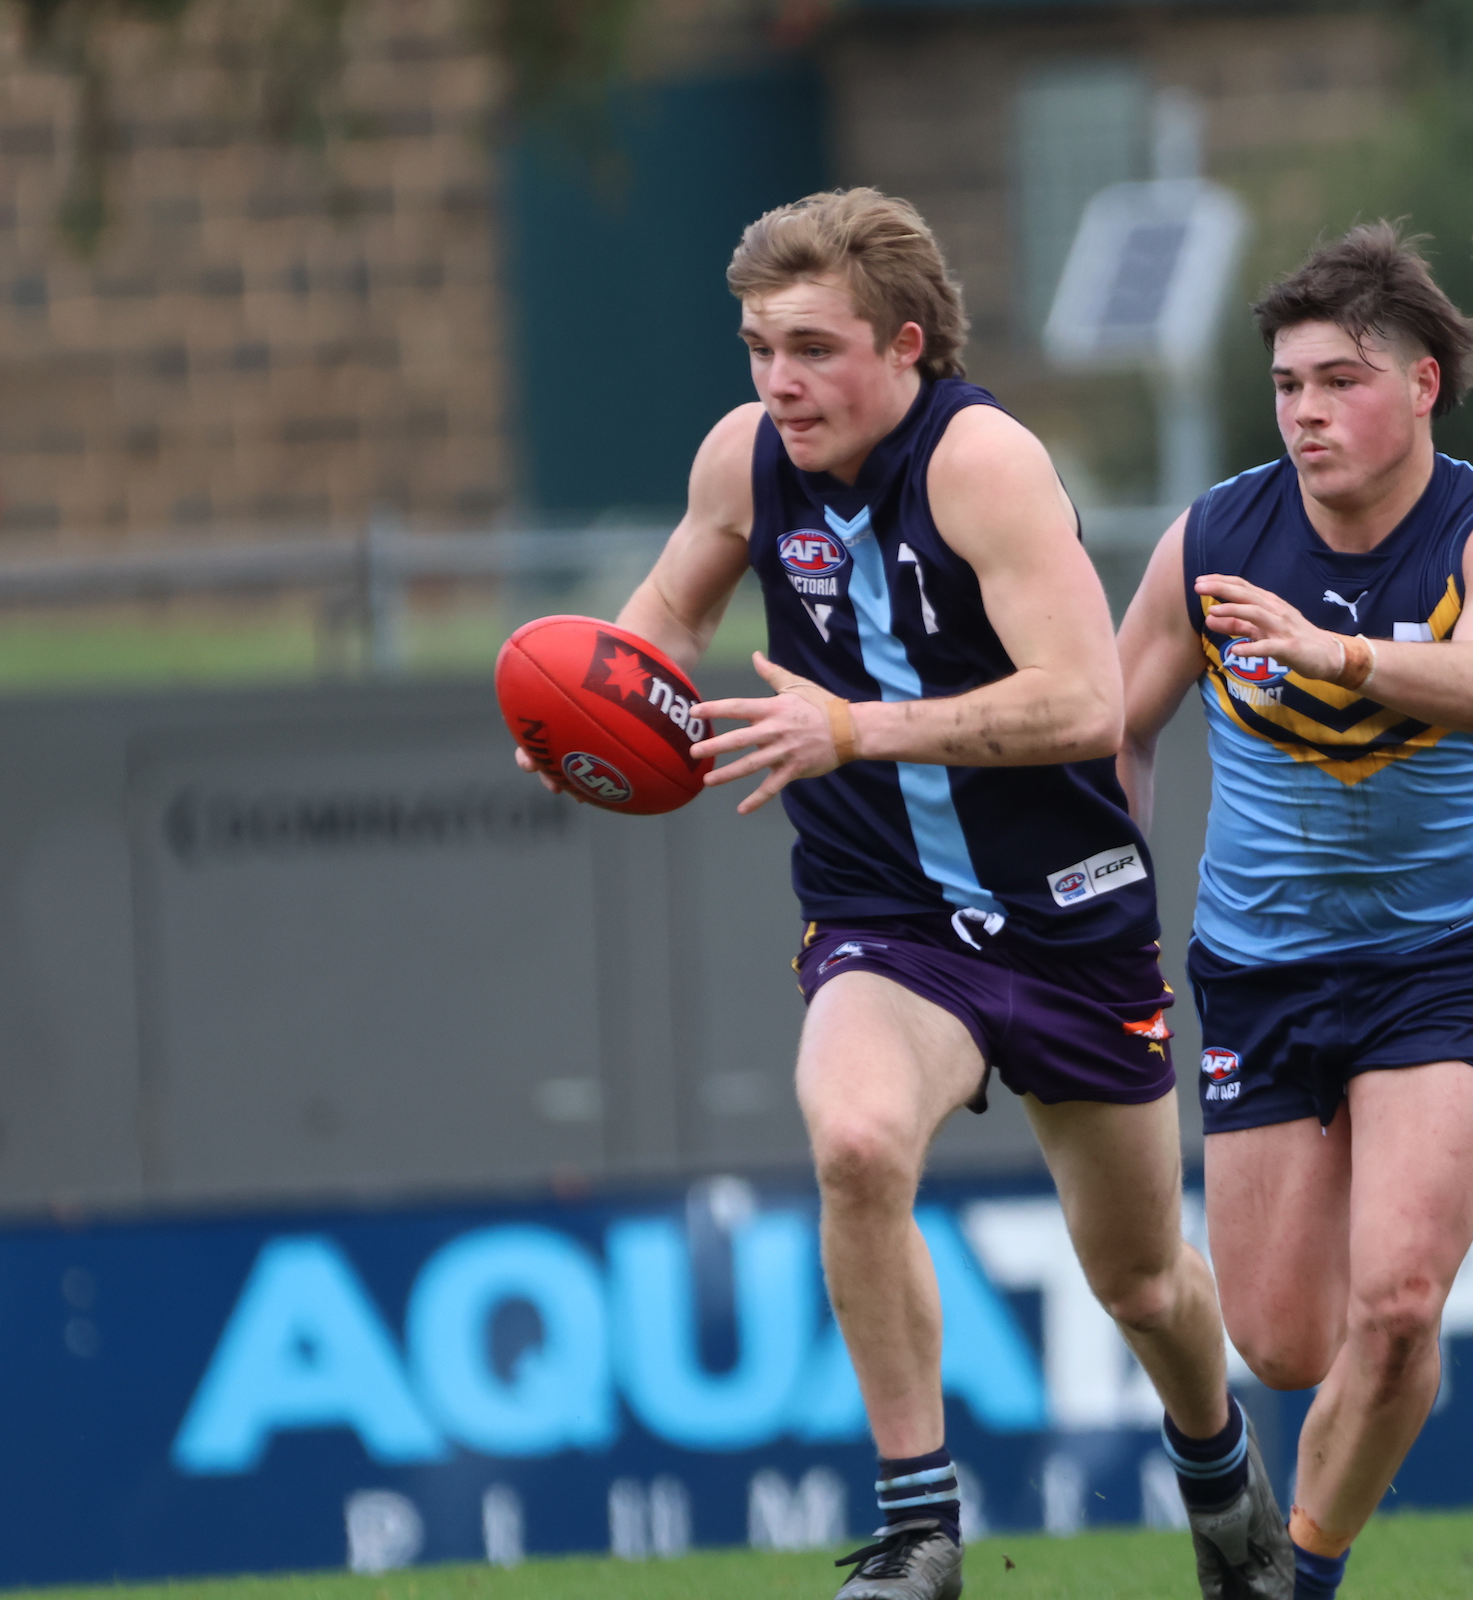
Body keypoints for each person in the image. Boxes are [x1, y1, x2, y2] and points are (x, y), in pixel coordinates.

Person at [518, 188, 1286, 1600]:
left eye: (811, 348)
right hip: (884, 915)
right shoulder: (747, 460)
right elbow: (664, 624)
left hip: (1068, 911)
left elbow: (1085, 700)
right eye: (758, 348)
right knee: (859, 1142)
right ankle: (921, 1528)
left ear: (908, 345)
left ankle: (1217, 1457)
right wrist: (596, 717)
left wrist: (860, 727)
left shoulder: (983, 462)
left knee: (1141, 1283)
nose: (778, 382)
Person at [1117, 223, 1473, 1600]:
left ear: (1428, 383)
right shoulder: (1215, 534)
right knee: (1280, 1344)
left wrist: (1328, 649)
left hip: (1442, 961)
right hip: (1261, 970)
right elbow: (1116, 729)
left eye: (1341, 379)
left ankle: (1297, 1578)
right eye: (1286, 384)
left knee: (1397, 1309)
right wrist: (1106, 910)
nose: (1308, 411)